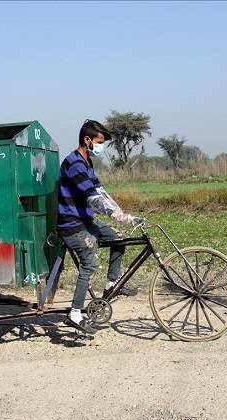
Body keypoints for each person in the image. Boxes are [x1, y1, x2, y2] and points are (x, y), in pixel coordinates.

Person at [57, 119, 143, 334]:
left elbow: (101, 191)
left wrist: (122, 213)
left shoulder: (86, 162)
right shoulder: (74, 163)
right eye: (100, 141)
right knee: (90, 263)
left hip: (85, 220)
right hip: (72, 225)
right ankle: (75, 314)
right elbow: (92, 197)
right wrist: (115, 214)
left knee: (118, 239)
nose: (101, 146)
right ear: (87, 140)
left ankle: (111, 285)